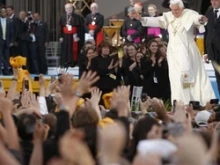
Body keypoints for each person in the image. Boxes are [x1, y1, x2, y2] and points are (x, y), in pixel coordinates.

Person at [140, 0, 215, 105]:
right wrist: (142, 18)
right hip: (173, 53)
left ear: (182, 8)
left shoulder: (189, 14)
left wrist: (201, 19)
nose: (174, 12)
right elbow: (157, 20)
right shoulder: (169, 16)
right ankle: (179, 103)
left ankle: (196, 102)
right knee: (176, 79)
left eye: (177, 10)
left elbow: (197, 19)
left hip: (188, 51)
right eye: (172, 10)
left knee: (192, 77)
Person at [204, 0, 220, 95]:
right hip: (213, 52)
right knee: (218, 78)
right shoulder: (209, 11)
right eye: (212, 0)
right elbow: (207, 32)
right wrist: (206, 51)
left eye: (216, 0)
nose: (213, 2)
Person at [59, 2, 81, 67]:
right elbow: (60, 28)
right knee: (65, 50)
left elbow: (80, 28)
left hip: (74, 37)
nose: (69, 9)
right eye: (67, 8)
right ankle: (64, 63)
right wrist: (60, 36)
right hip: (65, 37)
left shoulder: (77, 17)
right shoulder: (63, 17)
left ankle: (73, 63)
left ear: (72, 8)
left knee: (73, 50)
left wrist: (78, 37)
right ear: (65, 9)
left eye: (70, 8)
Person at [0, 8, 14, 75]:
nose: (3, 13)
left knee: (6, 56)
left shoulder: (9, 21)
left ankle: (6, 71)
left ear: (6, 13)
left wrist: (11, 41)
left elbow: (12, 32)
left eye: (4, 12)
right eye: (2, 12)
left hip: (7, 42)